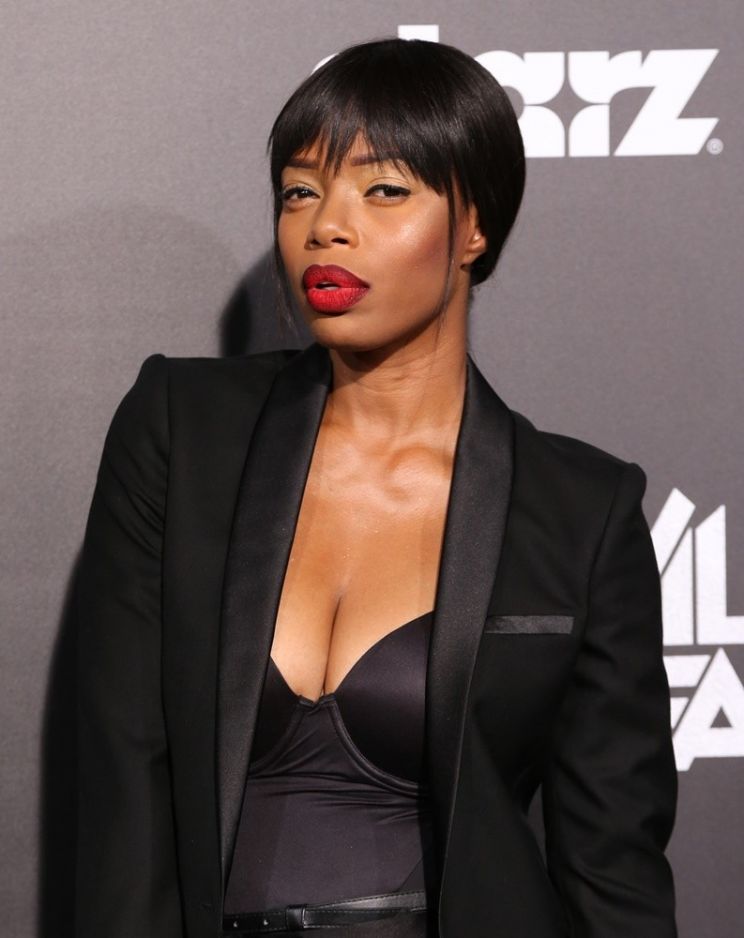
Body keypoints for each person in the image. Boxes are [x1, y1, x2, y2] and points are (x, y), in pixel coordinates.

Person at [74, 37, 678, 938]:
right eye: (300, 191)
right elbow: (121, 775)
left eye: (384, 190)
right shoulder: (180, 430)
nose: (327, 226)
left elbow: (611, 869)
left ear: (473, 228)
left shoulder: (580, 511)